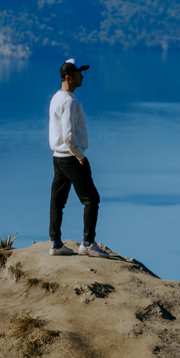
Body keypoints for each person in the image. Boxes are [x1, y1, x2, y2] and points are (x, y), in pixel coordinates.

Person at [48, 58, 107, 256]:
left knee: (58, 201)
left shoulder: (57, 97)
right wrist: (80, 155)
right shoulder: (69, 102)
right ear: (68, 78)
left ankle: (56, 243)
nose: (82, 76)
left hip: (58, 157)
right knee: (91, 199)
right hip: (71, 157)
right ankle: (88, 244)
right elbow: (69, 135)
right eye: (78, 73)